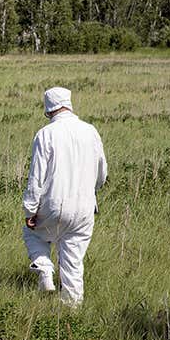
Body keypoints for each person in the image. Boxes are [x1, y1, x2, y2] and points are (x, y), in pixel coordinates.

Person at [22, 87, 107, 305]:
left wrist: (29, 210)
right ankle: (72, 311)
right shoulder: (91, 131)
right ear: (68, 104)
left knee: (33, 233)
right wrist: (91, 192)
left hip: (54, 205)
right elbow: (102, 174)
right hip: (86, 207)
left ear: (48, 109)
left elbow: (36, 177)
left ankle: (44, 269)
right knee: (73, 262)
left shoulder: (45, 134)